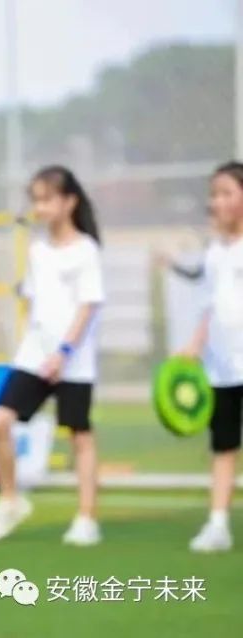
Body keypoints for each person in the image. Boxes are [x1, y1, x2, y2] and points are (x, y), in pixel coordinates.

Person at [0, 166, 105, 547]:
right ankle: (10, 500)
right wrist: (39, 350)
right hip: (35, 356)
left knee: (80, 435)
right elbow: (35, 305)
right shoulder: (36, 251)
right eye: (36, 199)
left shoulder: (86, 250)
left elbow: (87, 306)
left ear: (69, 202)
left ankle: (86, 519)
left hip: (75, 360)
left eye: (48, 198)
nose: (41, 206)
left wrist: (64, 352)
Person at [182, 161, 243, 553]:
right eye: (214, 194)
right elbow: (209, 308)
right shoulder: (215, 253)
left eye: (227, 193)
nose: (218, 202)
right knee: (222, 446)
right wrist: (194, 346)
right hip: (223, 370)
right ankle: (218, 523)